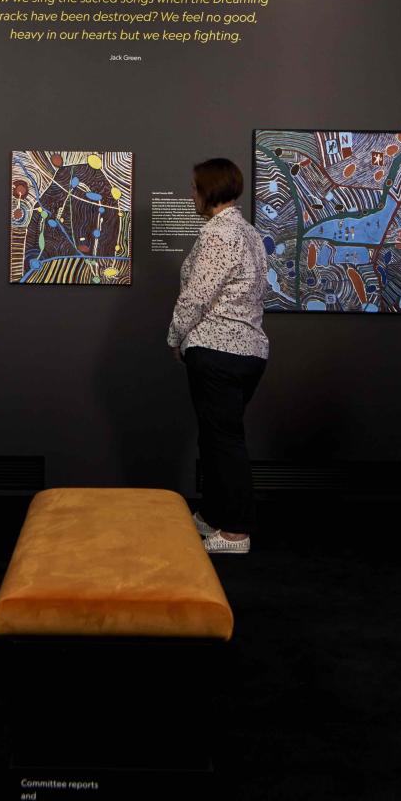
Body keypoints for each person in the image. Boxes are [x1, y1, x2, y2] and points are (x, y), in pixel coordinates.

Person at [168, 158, 270, 554]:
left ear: (208, 191)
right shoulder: (250, 234)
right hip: (248, 352)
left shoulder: (218, 236)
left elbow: (196, 296)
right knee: (216, 436)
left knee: (224, 440)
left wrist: (174, 337)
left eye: (194, 188)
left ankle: (236, 532)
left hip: (218, 349)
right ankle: (213, 515)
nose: (191, 195)